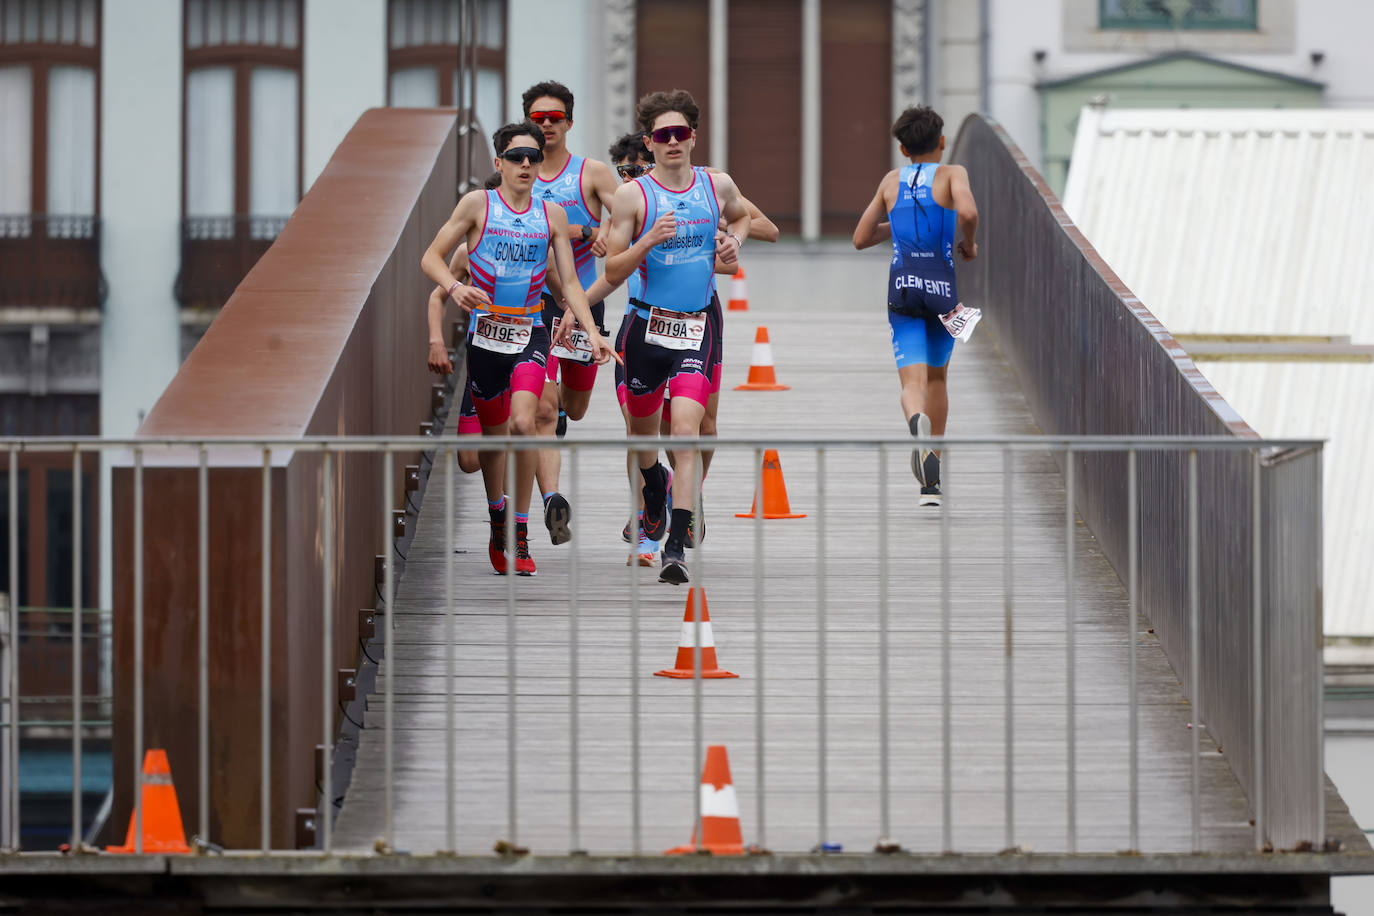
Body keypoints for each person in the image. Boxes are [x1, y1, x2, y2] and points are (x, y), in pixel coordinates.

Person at [421, 121, 616, 575]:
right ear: (499, 164)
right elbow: (429, 257)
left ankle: (522, 530)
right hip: (485, 339)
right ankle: (497, 517)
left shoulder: (552, 216)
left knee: (525, 422)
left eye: (532, 156)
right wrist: (454, 288)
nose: (526, 163)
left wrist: (592, 330)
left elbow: (569, 281)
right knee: (492, 442)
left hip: (531, 332)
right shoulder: (477, 205)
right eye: (516, 157)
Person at [599, 133, 778, 565]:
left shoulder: (708, 186)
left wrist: (712, 242)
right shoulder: (629, 202)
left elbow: (766, 229)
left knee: (701, 422)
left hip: (698, 315)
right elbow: (609, 260)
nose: (634, 178)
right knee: (636, 427)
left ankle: (688, 497)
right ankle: (645, 523)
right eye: (625, 172)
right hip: (643, 316)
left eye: (639, 169)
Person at [851, 104, 978, 507]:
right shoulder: (953, 174)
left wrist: (898, 223)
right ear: (942, 142)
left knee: (912, 384)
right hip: (941, 288)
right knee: (938, 380)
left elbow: (860, 237)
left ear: (903, 149)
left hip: (902, 287)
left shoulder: (891, 182)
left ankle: (914, 420)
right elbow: (969, 211)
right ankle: (931, 481)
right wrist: (969, 243)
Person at [522, 80, 621, 546]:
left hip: (584, 300)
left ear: (569, 123)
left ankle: (557, 410)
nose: (546, 126)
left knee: (573, 408)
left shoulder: (593, 173)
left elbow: (630, 214)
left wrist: (604, 233)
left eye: (554, 118)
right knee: (543, 405)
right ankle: (552, 500)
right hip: (533, 302)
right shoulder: (516, 174)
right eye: (538, 118)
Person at [428, 172, 504, 476]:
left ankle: (512, 512)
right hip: (482, 350)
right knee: (469, 460)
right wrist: (436, 342)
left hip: (527, 349)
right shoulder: (466, 251)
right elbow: (437, 297)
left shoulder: (537, 241)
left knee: (523, 424)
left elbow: (565, 290)